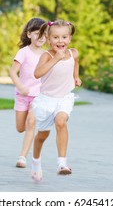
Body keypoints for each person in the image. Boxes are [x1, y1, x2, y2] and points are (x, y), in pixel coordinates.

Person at [30, 19, 81, 182]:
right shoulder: (47, 55)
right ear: (48, 38)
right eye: (56, 38)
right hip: (46, 101)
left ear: (70, 38)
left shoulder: (74, 53)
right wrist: (56, 58)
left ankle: (62, 163)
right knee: (42, 136)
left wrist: (76, 77)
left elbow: (75, 64)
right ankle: (35, 161)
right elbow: (37, 74)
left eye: (64, 37)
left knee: (61, 121)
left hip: (64, 98)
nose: (61, 41)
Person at [9, 17, 46, 168]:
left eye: (44, 34)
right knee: (20, 127)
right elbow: (12, 73)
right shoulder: (23, 52)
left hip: (38, 96)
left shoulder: (46, 55)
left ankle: (22, 157)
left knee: (31, 123)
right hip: (22, 95)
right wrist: (21, 86)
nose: (41, 37)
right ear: (29, 34)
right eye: (37, 33)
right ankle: (27, 133)